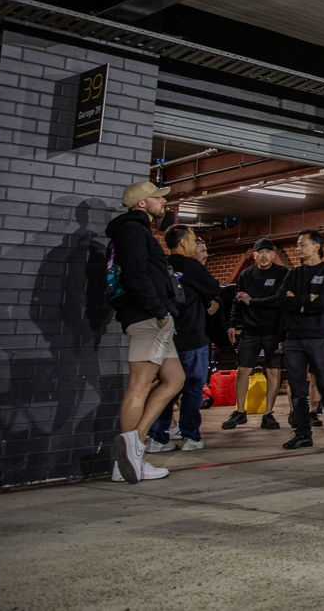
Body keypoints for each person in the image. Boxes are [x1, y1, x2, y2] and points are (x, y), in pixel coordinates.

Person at [106, 180, 185, 483]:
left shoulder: (135, 231)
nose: (163, 202)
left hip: (152, 316)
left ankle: (135, 445)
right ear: (142, 203)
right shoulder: (133, 231)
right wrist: (159, 311)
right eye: (157, 198)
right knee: (140, 384)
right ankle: (127, 460)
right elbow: (135, 274)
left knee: (175, 379)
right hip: (147, 316)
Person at [146, 225, 220, 453]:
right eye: (193, 239)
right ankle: (191, 436)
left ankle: (157, 438)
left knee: (166, 387)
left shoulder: (159, 265)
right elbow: (213, 287)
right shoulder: (191, 266)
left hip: (165, 337)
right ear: (183, 243)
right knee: (192, 388)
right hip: (192, 337)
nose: (195, 244)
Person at [276, 230, 324, 449]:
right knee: (297, 390)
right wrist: (308, 299)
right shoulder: (293, 275)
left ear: (316, 246)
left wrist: (297, 302)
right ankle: (302, 434)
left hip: (319, 337)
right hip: (294, 339)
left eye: (302, 244)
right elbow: (281, 300)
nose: (298, 248)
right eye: (298, 245)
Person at [226, 238, 288, 430]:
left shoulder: (282, 273)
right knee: (243, 370)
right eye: (260, 252)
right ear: (254, 255)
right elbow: (237, 301)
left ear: (273, 255)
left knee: (274, 371)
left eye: (267, 252)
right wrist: (231, 324)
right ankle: (239, 412)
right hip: (251, 330)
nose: (264, 255)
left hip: (274, 331)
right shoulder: (246, 274)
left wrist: (252, 301)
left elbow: (279, 300)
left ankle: (268, 414)